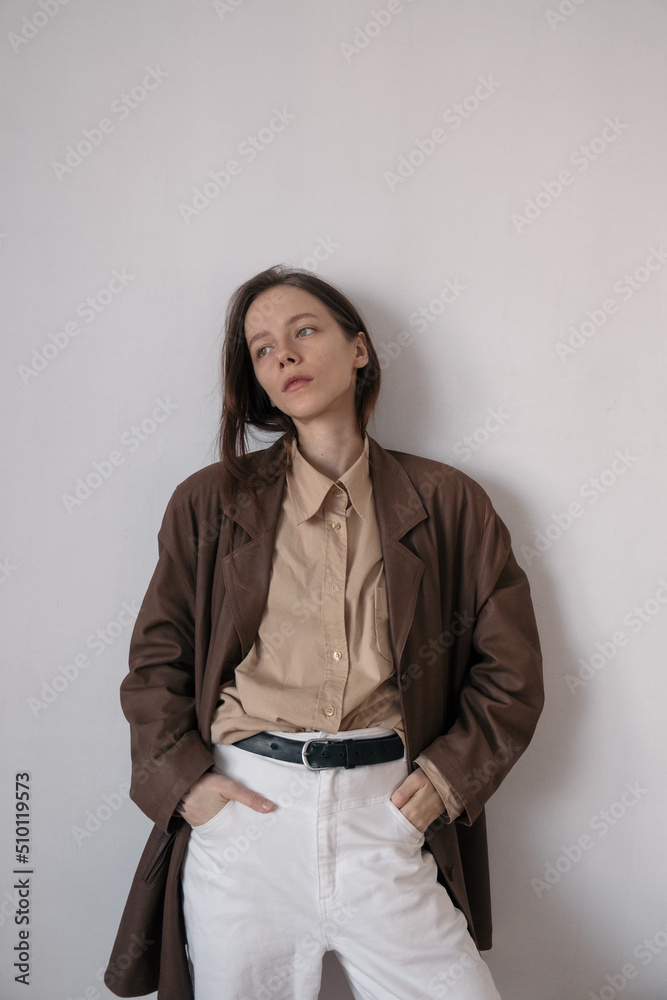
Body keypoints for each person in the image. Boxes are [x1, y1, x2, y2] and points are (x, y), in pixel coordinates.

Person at [104, 265, 544, 1000]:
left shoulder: (447, 501)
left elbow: (511, 671)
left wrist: (443, 782)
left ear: (359, 349)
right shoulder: (209, 501)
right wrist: (185, 788)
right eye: (262, 348)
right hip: (245, 818)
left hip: (389, 817)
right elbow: (157, 662)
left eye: (304, 330)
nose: (284, 356)